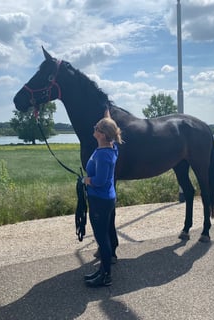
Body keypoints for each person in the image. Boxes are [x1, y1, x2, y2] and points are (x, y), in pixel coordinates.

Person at [82, 115, 123, 287]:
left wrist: (86, 180)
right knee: (103, 235)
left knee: (102, 238)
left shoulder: (104, 154)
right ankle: (102, 271)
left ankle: (106, 276)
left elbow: (100, 181)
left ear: (102, 134)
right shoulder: (110, 148)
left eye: (96, 127)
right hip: (103, 199)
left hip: (100, 200)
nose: (94, 129)